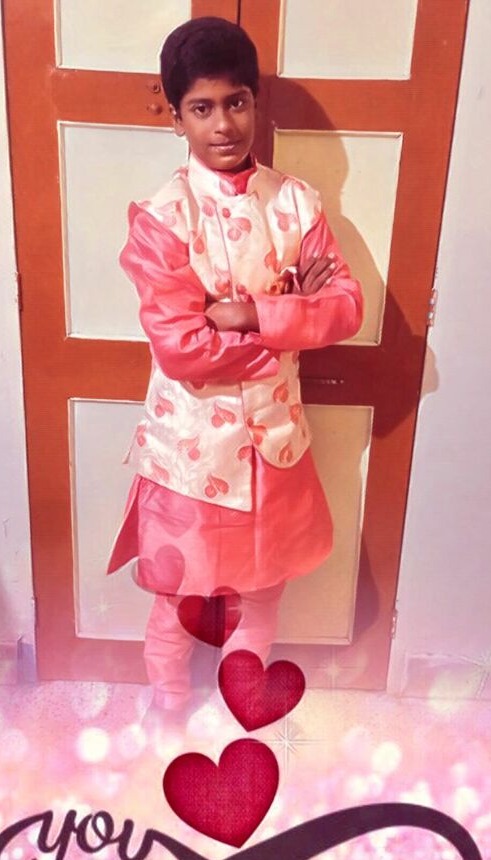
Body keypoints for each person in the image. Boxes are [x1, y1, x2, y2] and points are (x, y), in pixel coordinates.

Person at [106, 16, 363, 723]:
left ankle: (238, 705)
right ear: (176, 117)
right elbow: (181, 349)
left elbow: (345, 307)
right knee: (178, 592)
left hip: (275, 444)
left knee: (263, 589)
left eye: (236, 102)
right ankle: (167, 706)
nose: (223, 125)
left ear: (255, 102)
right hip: (190, 452)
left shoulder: (296, 203)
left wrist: (246, 314)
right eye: (202, 107)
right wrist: (290, 317)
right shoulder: (163, 218)